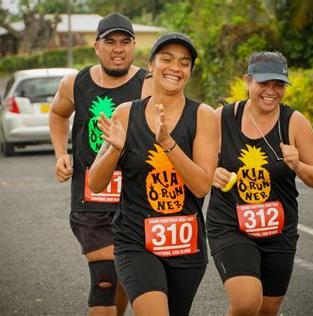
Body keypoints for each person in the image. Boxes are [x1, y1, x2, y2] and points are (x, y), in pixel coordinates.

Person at [88, 32, 219, 316]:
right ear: (151, 64)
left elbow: (200, 187)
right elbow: (96, 184)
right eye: (167, 59)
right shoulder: (125, 114)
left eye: (184, 63)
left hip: (186, 243)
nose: (175, 68)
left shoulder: (203, 116)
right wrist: (113, 150)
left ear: (190, 72)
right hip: (135, 240)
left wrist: (168, 144)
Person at [207, 51, 313, 316]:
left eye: (279, 84)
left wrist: (298, 166)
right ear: (248, 81)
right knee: (246, 303)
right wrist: (212, 173)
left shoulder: (294, 122)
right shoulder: (222, 117)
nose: (271, 91)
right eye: (264, 83)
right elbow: (197, 163)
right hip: (230, 225)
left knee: (267, 309)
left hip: (279, 230)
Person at [49, 13, 152, 316]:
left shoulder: (147, 84)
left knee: (124, 278)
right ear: (96, 46)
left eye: (125, 42)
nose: (118, 49)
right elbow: (57, 114)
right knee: (105, 277)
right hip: (90, 200)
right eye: (110, 42)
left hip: (135, 199)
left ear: (134, 46)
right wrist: (60, 154)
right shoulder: (75, 84)